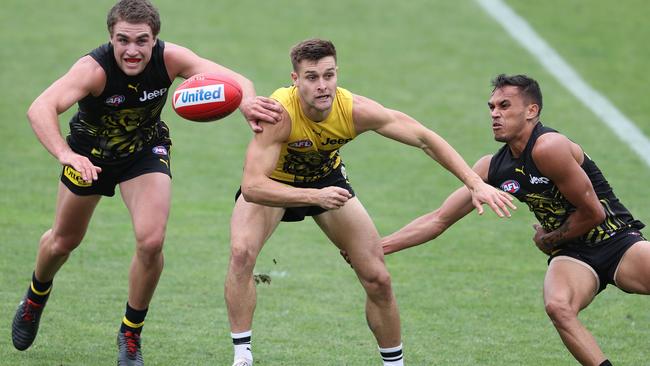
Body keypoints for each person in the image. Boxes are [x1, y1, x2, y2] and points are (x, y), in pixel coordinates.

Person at [10, 1, 282, 365]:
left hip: (144, 152)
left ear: (154, 39)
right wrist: (66, 155)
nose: (132, 50)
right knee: (63, 240)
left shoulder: (170, 59)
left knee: (152, 241)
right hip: (89, 156)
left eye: (142, 40)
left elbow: (237, 81)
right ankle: (34, 297)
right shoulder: (93, 70)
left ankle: (130, 332)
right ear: (111, 38)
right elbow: (40, 107)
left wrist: (246, 101)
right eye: (123, 40)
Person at [224, 38, 514, 366]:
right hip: (275, 184)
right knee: (241, 253)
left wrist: (475, 183)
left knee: (378, 277)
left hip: (325, 180)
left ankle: (394, 364)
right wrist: (313, 197)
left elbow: (424, 138)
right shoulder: (279, 114)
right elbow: (252, 186)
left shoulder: (354, 110)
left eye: (329, 75)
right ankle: (242, 356)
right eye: (312, 77)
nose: (323, 86)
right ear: (295, 79)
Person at [380, 74, 650, 366]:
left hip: (615, 239)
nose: (495, 114)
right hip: (573, 254)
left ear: (531, 111)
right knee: (558, 307)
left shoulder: (550, 147)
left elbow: (593, 213)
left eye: (505, 106)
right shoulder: (493, 167)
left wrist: (548, 240)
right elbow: (438, 220)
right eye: (492, 107)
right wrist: (377, 248)